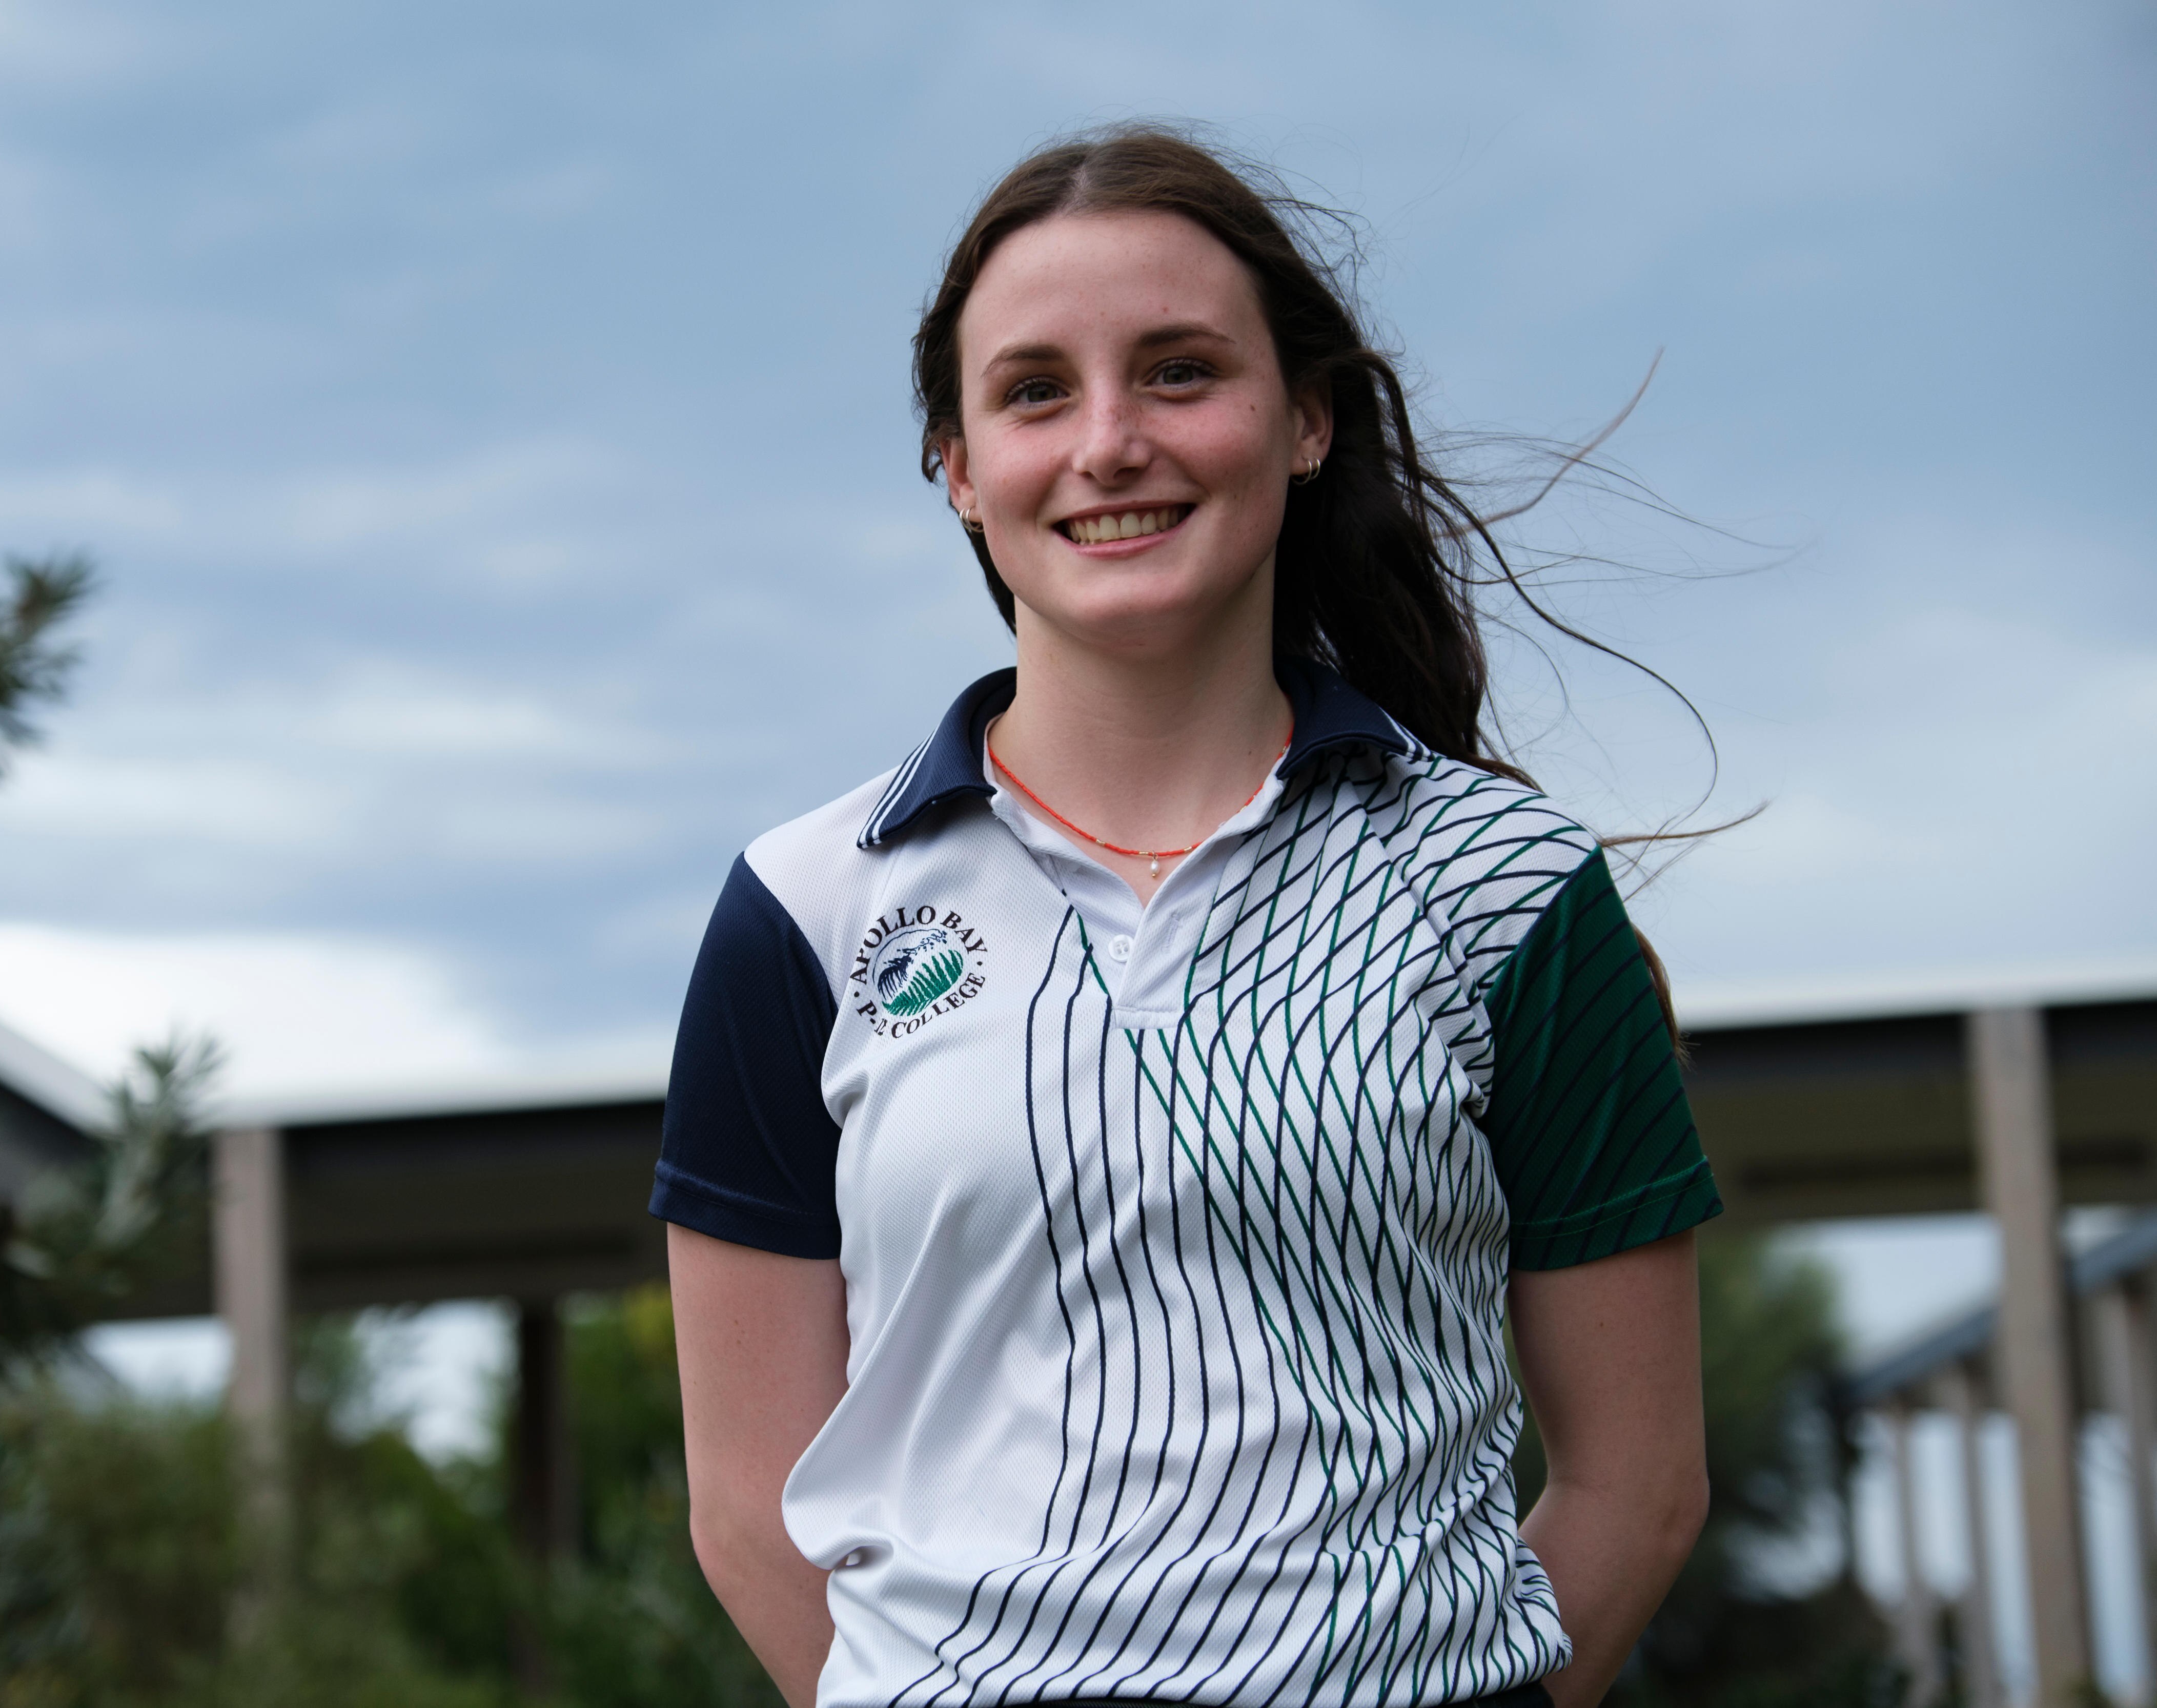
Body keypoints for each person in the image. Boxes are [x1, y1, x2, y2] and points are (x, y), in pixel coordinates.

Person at [650, 126, 1718, 1708]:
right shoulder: (803, 913)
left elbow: (1639, 1485)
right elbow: (747, 1509)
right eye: (1034, 392)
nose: (1108, 443)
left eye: (1177, 372)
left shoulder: (1510, 889)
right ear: (955, 462)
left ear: (1304, 421)